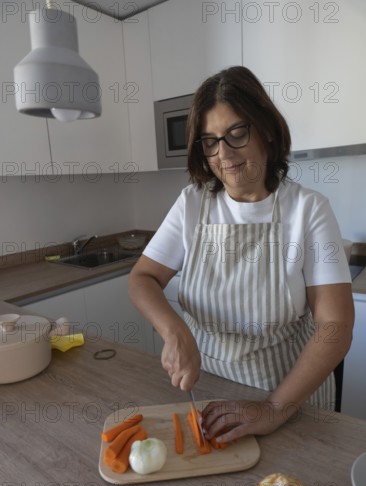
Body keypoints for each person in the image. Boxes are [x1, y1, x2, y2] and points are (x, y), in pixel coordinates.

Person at [128, 66, 354, 443]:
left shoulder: (307, 210)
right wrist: (175, 331)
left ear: (265, 129)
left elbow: (336, 326)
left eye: (237, 133)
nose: (224, 154)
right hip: (207, 391)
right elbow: (142, 279)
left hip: (287, 399)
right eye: (210, 141)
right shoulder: (192, 204)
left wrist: (272, 408)